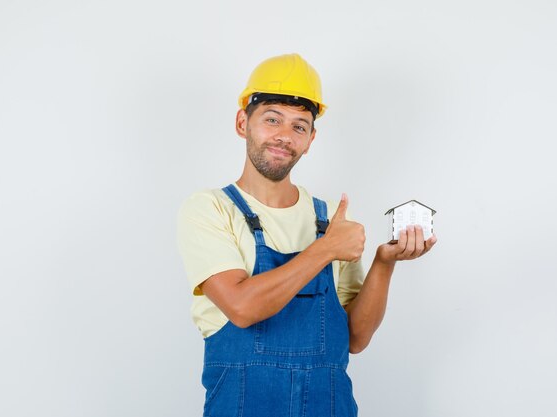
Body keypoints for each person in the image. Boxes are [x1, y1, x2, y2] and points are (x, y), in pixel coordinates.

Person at [177, 53, 437, 417]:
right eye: (272, 120)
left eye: (299, 126)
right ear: (242, 123)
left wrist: (384, 263)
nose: (285, 136)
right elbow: (241, 307)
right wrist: (325, 248)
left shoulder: (330, 216)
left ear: (311, 138)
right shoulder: (211, 208)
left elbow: (356, 339)